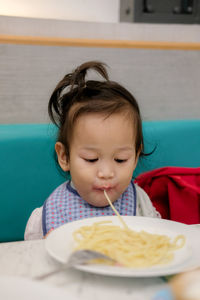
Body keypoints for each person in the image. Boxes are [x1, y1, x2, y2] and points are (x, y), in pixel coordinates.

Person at [24, 61, 160, 240]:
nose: (106, 173)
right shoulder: (47, 216)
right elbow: (29, 261)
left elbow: (156, 242)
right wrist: (44, 248)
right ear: (64, 157)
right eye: (91, 159)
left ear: (135, 157)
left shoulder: (140, 203)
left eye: (120, 159)